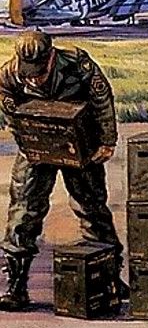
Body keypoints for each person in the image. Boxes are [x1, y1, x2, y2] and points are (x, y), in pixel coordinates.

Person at [0, 31, 126, 311]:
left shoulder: (77, 64)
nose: (34, 80)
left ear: (51, 57)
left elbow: (102, 100)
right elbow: (10, 111)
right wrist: (27, 141)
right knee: (23, 210)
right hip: (37, 145)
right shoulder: (9, 74)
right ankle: (16, 287)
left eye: (39, 72)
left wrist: (107, 142)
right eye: (29, 74)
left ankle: (109, 280)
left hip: (81, 142)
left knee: (92, 207)